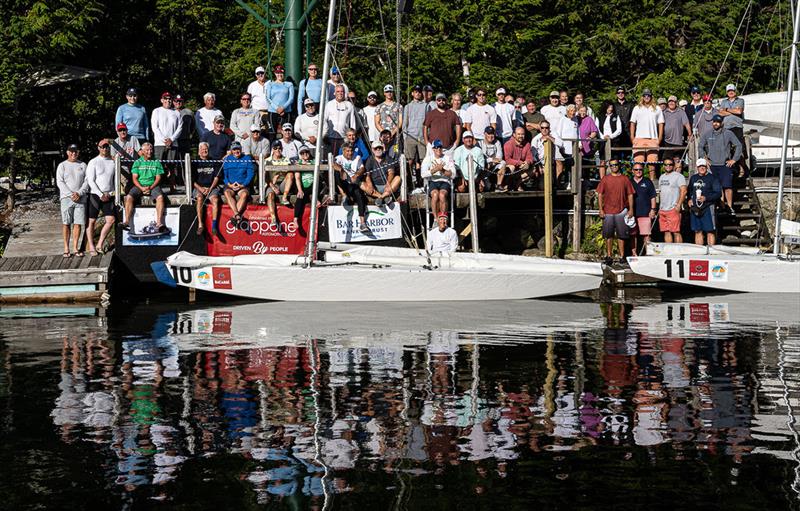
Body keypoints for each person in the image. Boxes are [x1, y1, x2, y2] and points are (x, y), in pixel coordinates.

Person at [699, 114, 742, 214]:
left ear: (722, 123)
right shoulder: (707, 134)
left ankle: (730, 207)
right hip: (712, 165)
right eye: (714, 122)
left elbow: (739, 145)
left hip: (725, 164)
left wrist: (734, 159)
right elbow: (700, 146)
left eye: (718, 122)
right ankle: (722, 207)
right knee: (718, 188)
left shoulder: (728, 133)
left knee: (727, 186)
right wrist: (704, 159)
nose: (716, 123)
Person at [596, 158, 634, 266]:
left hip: (621, 211)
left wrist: (631, 209)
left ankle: (622, 256)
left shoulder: (625, 179)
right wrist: (600, 209)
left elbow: (630, 194)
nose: (614, 167)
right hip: (608, 211)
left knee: (622, 235)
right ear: (609, 167)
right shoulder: (605, 179)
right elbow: (599, 194)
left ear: (619, 165)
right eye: (612, 165)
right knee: (608, 235)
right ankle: (609, 256)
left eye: (616, 165)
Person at [122, 142, 166, 232]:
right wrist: (142, 188)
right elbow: (134, 178)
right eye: (147, 150)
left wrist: (150, 187)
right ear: (142, 151)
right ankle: (126, 221)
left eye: (151, 150)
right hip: (139, 185)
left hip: (153, 185)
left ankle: (159, 222)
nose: (149, 152)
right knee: (129, 197)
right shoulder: (137, 162)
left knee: (160, 197)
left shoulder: (156, 162)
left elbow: (158, 178)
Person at [56, 144, 89, 257]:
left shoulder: (83, 165)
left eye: (75, 151)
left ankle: (75, 247)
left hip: (80, 198)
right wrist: (71, 194)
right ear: (67, 152)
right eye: (71, 151)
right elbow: (60, 182)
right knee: (66, 223)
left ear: (78, 152)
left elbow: (87, 181)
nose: (73, 153)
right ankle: (66, 248)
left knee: (78, 223)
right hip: (66, 198)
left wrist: (79, 193)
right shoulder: (62, 165)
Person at [85, 139, 116, 255]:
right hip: (95, 195)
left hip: (108, 195)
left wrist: (112, 193)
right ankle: (91, 246)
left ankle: (99, 244)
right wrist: (100, 194)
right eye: (102, 147)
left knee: (111, 220)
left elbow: (114, 180)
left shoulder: (113, 162)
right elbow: (90, 181)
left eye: (107, 147)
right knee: (91, 221)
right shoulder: (93, 162)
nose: (105, 149)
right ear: (98, 148)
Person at [333, 142, 369, 233]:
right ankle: (343, 195)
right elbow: (334, 165)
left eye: (351, 151)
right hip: (343, 183)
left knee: (359, 195)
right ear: (343, 151)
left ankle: (362, 223)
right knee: (336, 173)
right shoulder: (339, 158)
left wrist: (356, 175)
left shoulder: (357, 158)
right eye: (347, 151)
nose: (350, 153)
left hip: (353, 183)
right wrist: (341, 170)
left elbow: (362, 168)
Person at [629, 88, 664, 181]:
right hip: (639, 139)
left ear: (651, 96)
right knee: (638, 164)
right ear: (642, 97)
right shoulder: (637, 108)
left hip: (653, 138)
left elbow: (661, 123)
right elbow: (632, 123)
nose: (646, 97)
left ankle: (652, 183)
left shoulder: (657, 108)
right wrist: (632, 137)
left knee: (652, 164)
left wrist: (659, 138)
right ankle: (638, 183)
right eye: (645, 95)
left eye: (648, 95)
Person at [151, 91, 183, 191]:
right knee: (158, 166)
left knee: (172, 166)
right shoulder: (156, 111)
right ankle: (157, 188)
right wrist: (164, 140)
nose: (168, 100)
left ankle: (172, 187)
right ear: (162, 100)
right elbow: (154, 127)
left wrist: (172, 139)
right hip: (159, 144)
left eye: (169, 99)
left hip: (173, 144)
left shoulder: (177, 112)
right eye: (166, 99)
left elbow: (180, 128)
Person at [191, 141, 223, 236]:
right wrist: (201, 189)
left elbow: (216, 177)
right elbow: (192, 180)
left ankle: (214, 226)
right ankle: (200, 225)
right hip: (199, 187)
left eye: (206, 149)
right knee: (199, 199)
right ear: (198, 151)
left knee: (215, 200)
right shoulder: (194, 162)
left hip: (211, 187)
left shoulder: (214, 161)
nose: (204, 151)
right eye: (202, 149)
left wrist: (210, 188)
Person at [688, 158, 722, 246]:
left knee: (710, 230)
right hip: (695, 208)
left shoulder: (712, 178)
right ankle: (699, 251)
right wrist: (689, 199)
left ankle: (711, 250)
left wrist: (706, 198)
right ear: (697, 167)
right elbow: (689, 191)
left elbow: (718, 193)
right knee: (697, 230)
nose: (701, 168)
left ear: (706, 166)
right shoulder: (693, 178)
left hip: (708, 207)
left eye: (703, 166)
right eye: (700, 166)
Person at [718, 83, 748, 177]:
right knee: (727, 148)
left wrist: (726, 109)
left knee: (739, 147)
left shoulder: (740, 100)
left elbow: (739, 111)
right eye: (729, 91)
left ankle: (742, 169)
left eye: (732, 91)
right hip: (726, 127)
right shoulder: (723, 101)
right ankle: (730, 169)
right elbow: (720, 113)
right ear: (727, 92)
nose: (731, 92)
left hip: (737, 127)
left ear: (735, 91)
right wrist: (732, 111)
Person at [421, 140, 456, 217]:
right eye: (436, 147)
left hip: (445, 181)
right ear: (433, 149)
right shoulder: (428, 159)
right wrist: (435, 169)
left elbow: (453, 174)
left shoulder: (447, 158)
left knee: (442, 195)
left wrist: (442, 170)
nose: (438, 149)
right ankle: (436, 219)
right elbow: (423, 174)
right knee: (435, 194)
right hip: (433, 181)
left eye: (440, 147)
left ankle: (443, 218)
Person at [222, 141, 254, 224]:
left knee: (244, 195)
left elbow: (250, 174)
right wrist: (229, 184)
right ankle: (237, 214)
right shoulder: (227, 159)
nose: (236, 151)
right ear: (232, 151)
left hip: (243, 185)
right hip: (230, 185)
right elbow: (224, 176)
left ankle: (234, 217)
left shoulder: (247, 158)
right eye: (234, 149)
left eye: (238, 149)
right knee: (227, 193)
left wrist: (242, 185)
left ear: (241, 149)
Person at [629, 163, 657, 255]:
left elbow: (653, 196)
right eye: (636, 170)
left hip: (645, 212)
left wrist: (653, 209)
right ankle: (634, 253)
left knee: (646, 235)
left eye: (640, 169)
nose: (638, 171)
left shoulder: (648, 181)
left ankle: (649, 253)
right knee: (633, 235)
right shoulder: (629, 182)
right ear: (633, 171)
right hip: (632, 213)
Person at [657, 157, 687, 243]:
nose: (668, 166)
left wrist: (678, 205)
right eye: (666, 164)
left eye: (670, 164)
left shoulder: (679, 176)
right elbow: (661, 192)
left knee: (676, 231)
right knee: (666, 231)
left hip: (673, 208)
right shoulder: (661, 177)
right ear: (663, 166)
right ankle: (669, 251)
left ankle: (678, 252)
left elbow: (684, 191)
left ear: (673, 166)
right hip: (663, 209)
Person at [404, 85, 428, 185]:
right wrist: (405, 137)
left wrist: (427, 136)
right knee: (410, 160)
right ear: (412, 93)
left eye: (419, 91)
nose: (417, 93)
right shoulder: (408, 106)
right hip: (410, 136)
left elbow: (428, 122)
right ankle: (409, 182)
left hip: (422, 137)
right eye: (415, 91)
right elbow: (405, 122)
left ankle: (422, 182)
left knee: (423, 160)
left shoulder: (426, 106)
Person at [424, 92, 462, 157]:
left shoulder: (452, 113)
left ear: (446, 101)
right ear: (436, 101)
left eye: (443, 100)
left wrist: (457, 141)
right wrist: (427, 143)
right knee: (432, 166)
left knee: (449, 167)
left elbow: (458, 126)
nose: (441, 101)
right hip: (433, 148)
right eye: (439, 100)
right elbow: (425, 127)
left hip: (448, 149)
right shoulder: (431, 114)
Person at [363, 140, 400, 205]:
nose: (378, 149)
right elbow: (367, 175)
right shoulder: (370, 160)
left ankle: (382, 197)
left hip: (386, 186)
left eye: (380, 148)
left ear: (383, 148)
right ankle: (381, 196)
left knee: (398, 178)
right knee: (361, 184)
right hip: (375, 187)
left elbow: (391, 173)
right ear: (372, 150)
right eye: (376, 148)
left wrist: (388, 184)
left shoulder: (388, 158)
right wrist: (370, 185)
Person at [323, 84, 355, 157]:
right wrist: (325, 134)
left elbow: (352, 122)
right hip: (330, 138)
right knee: (330, 159)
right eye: (338, 91)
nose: (340, 93)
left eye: (342, 91)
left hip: (344, 138)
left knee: (343, 159)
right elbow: (324, 120)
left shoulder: (349, 105)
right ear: (334, 93)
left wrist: (352, 136)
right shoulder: (329, 104)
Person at [265, 141, 292, 224]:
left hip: (282, 183)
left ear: (282, 149)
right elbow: (265, 177)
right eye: (275, 148)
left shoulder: (286, 159)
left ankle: (284, 197)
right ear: (272, 149)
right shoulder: (267, 160)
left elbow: (289, 170)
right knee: (270, 195)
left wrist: (278, 174)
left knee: (290, 174)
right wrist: (273, 186)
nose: (278, 150)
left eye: (280, 148)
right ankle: (273, 217)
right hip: (271, 183)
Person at [530, 121, 564, 186]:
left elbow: (561, 144)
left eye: (546, 128)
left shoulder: (554, 134)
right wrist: (539, 166)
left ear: (549, 128)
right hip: (541, 164)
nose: (544, 130)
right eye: (542, 128)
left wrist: (549, 137)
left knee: (552, 184)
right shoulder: (536, 139)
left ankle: (557, 183)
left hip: (552, 163)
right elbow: (534, 155)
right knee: (542, 186)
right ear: (540, 128)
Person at [265, 64, 295, 138]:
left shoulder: (289, 84)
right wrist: (277, 108)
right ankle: (272, 148)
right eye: (277, 73)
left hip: (286, 111)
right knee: (272, 133)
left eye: (281, 72)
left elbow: (291, 98)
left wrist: (283, 108)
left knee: (286, 133)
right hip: (273, 111)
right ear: (275, 73)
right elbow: (268, 98)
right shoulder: (270, 84)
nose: (279, 74)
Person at [502, 127, 534, 192]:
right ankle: (506, 185)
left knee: (533, 170)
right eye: (518, 134)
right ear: (514, 134)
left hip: (520, 168)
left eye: (522, 134)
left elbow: (530, 158)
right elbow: (507, 159)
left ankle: (517, 184)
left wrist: (527, 162)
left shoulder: (527, 144)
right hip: (509, 169)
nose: (521, 136)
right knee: (512, 167)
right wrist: (520, 163)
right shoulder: (508, 144)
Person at [292, 146, 316, 230]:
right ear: (300, 154)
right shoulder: (298, 163)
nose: (305, 154)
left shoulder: (314, 161)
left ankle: (316, 199)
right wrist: (300, 190)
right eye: (302, 153)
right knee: (300, 197)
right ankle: (295, 219)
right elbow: (297, 178)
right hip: (303, 185)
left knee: (318, 182)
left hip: (313, 184)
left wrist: (308, 164)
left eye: (307, 152)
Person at [662, 95, 691, 162]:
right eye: (670, 101)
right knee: (668, 161)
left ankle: (677, 172)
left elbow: (686, 123)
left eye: (673, 101)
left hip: (678, 141)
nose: (671, 103)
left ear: (676, 103)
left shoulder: (681, 112)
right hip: (666, 141)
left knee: (677, 161)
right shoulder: (664, 112)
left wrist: (690, 134)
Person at [597, 102, 622, 177]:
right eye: (608, 107)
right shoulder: (599, 117)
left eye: (611, 107)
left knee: (614, 161)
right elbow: (597, 129)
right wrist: (603, 137)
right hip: (602, 141)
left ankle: (614, 178)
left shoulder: (616, 116)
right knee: (602, 161)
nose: (610, 109)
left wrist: (610, 137)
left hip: (614, 142)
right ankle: (602, 180)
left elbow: (619, 130)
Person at [478, 126, 504, 192]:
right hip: (483, 168)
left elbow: (499, 158)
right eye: (489, 134)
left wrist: (491, 162)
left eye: (492, 134)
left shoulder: (497, 142)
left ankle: (499, 185)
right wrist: (491, 160)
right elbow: (480, 158)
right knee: (487, 188)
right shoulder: (480, 143)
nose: (491, 136)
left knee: (503, 163)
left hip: (493, 166)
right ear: (485, 134)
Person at [613, 86, 635, 157]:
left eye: (622, 92)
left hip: (628, 135)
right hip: (616, 136)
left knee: (627, 157)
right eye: (618, 92)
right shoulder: (613, 105)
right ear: (616, 94)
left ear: (625, 93)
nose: (620, 94)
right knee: (616, 157)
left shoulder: (631, 105)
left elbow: (634, 120)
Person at [173, 94, 195, 160]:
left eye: (180, 101)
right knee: (174, 159)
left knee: (185, 159)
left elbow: (193, 126)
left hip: (185, 140)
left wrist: (190, 135)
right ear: (173, 102)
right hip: (173, 140)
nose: (178, 103)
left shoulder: (189, 112)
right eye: (176, 101)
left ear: (183, 102)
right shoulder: (170, 111)